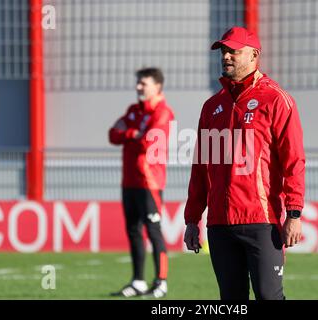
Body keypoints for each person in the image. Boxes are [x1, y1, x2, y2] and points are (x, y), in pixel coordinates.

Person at [183, 26, 305, 300]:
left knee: (269, 296)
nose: (226, 56)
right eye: (224, 51)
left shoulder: (276, 100)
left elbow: (293, 160)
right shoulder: (212, 106)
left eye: (233, 51)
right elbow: (201, 167)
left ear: (254, 55)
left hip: (261, 221)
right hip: (219, 224)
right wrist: (192, 218)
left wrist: (294, 213)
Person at [109, 67, 174, 298]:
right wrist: (132, 134)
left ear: (157, 87)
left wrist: (133, 133)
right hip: (129, 181)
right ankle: (138, 281)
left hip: (150, 182)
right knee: (133, 231)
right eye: (138, 83)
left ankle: (161, 282)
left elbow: (149, 141)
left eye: (143, 83)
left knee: (154, 232)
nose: (138, 87)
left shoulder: (163, 113)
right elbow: (113, 134)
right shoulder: (133, 110)